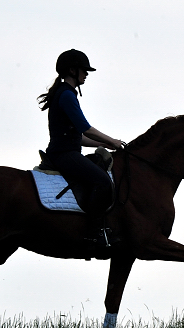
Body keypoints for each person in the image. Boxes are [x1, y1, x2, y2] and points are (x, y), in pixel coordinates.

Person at [37, 49, 124, 246]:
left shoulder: (65, 93)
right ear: (72, 70)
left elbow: (80, 137)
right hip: (64, 155)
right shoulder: (67, 95)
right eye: (84, 70)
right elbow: (86, 129)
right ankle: (93, 233)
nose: (86, 74)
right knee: (103, 182)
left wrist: (103, 144)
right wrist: (112, 141)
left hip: (67, 151)